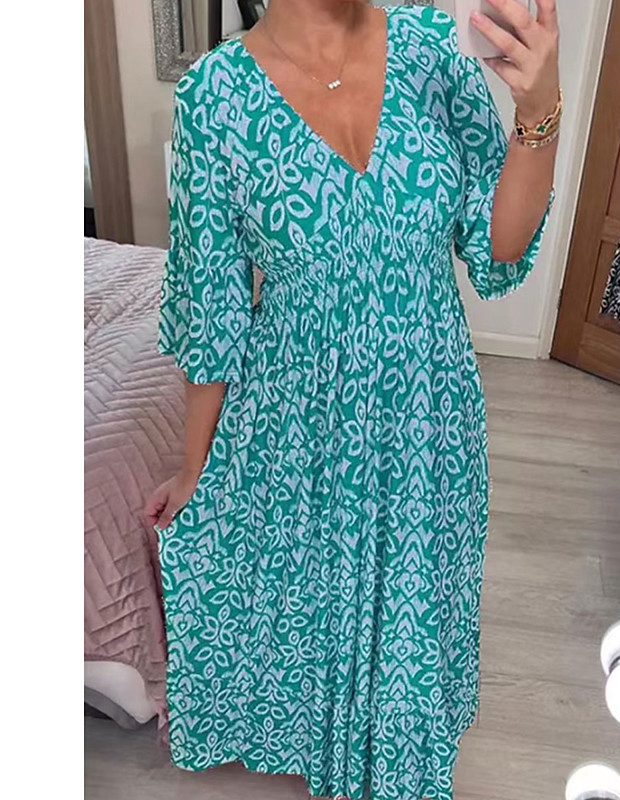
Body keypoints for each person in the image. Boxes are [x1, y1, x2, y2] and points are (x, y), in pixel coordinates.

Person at [144, 1, 560, 799]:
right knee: (313, 602)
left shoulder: (433, 51)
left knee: (410, 610)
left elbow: (498, 249)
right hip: (298, 417)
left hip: (425, 415)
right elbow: (210, 312)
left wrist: (538, 114)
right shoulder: (214, 98)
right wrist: (196, 472)